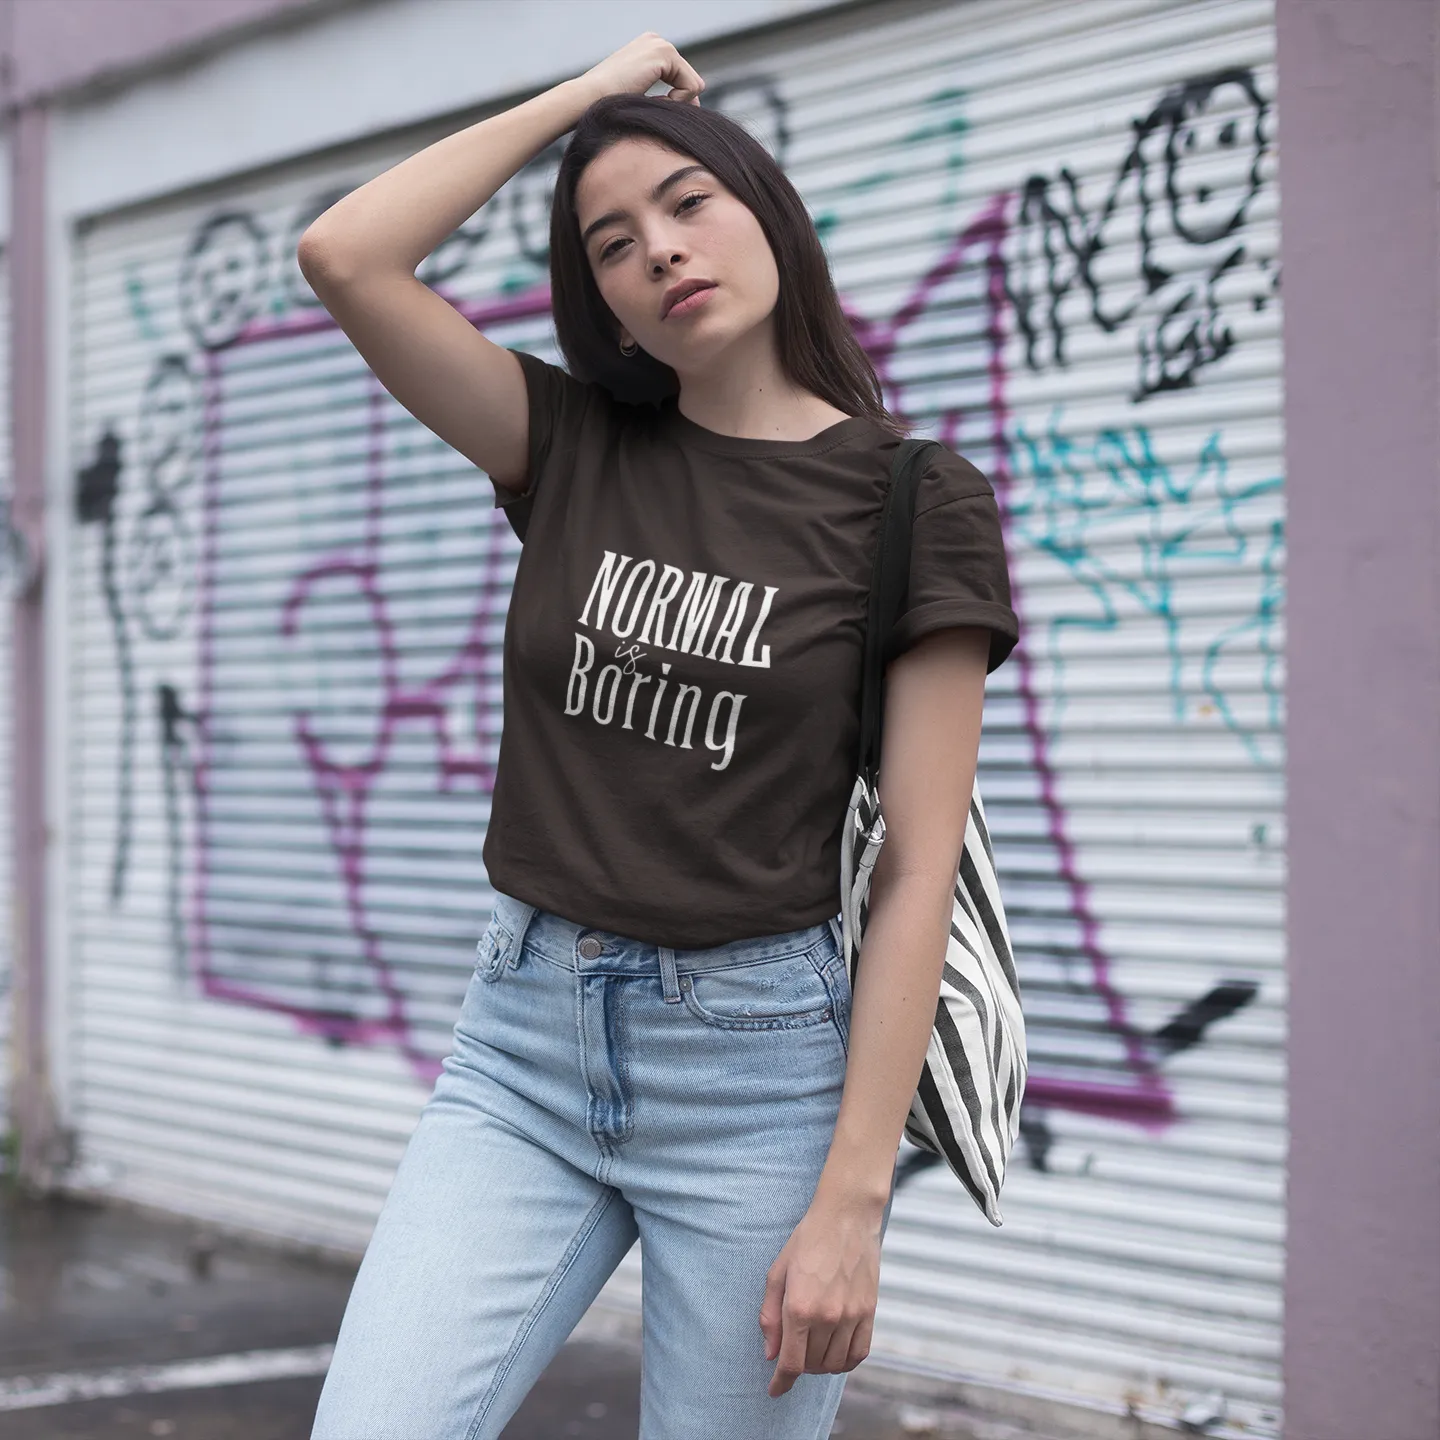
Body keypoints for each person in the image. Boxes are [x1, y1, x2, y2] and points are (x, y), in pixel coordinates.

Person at [299, 32, 1018, 1440]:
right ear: (607, 304)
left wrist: (851, 1206)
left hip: (762, 1077)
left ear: (769, 217)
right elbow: (345, 256)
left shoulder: (911, 499)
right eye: (613, 243)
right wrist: (590, 100)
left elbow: (919, 865)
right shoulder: (568, 444)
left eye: (689, 204)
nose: (662, 252)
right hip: (522, 1045)